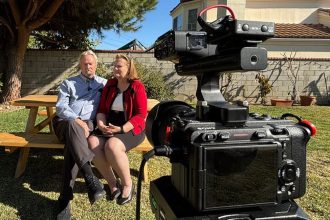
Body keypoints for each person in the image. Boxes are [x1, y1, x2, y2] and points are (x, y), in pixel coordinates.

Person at [53, 50, 107, 220]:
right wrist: (77, 120)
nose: (88, 66)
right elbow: (61, 108)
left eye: (91, 63)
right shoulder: (68, 83)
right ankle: (90, 178)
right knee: (72, 127)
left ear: (96, 65)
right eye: (84, 63)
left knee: (73, 144)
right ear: (80, 65)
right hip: (65, 123)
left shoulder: (104, 84)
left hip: (89, 126)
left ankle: (64, 199)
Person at [88, 54, 147, 205]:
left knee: (112, 145)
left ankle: (128, 184)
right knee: (92, 142)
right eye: (114, 65)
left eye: (119, 66)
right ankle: (113, 183)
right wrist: (101, 125)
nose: (115, 68)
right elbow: (101, 109)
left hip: (131, 129)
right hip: (110, 126)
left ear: (129, 69)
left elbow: (141, 115)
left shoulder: (137, 86)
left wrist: (121, 129)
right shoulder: (110, 84)